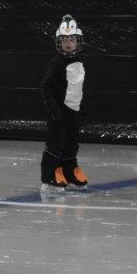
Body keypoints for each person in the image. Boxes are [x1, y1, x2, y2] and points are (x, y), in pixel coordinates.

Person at [40, 14, 89, 192]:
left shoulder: (79, 62)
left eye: (72, 39)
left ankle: (69, 171)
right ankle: (50, 175)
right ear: (59, 42)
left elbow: (77, 88)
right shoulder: (57, 64)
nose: (68, 43)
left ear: (78, 41)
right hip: (59, 113)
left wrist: (81, 111)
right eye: (65, 40)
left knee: (71, 143)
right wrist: (54, 110)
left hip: (73, 113)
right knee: (55, 143)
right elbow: (46, 86)